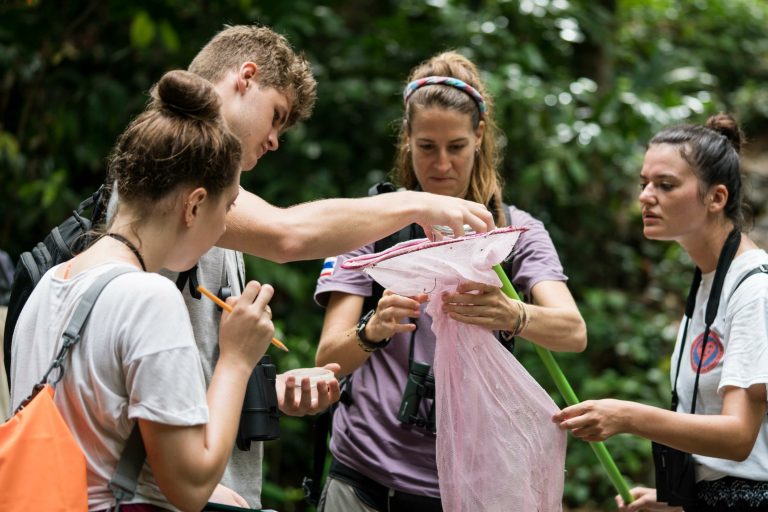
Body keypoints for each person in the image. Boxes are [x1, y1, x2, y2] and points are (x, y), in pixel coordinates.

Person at [102, 26, 498, 509]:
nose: (273, 141)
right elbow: (288, 235)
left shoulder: (216, 203)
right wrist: (418, 203)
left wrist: (273, 389)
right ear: (246, 78)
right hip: (158, 492)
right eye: (276, 117)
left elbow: (194, 360)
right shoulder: (173, 167)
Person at [313, 51, 587, 512]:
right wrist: (372, 329)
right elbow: (327, 359)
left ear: (479, 136)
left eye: (456, 147)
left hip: (467, 485)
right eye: (426, 146)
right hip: (364, 477)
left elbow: (573, 332)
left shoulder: (515, 232)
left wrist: (513, 313)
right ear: (407, 138)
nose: (441, 165)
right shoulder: (367, 223)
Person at [10, 70, 273, 512]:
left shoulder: (48, 286)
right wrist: (236, 358)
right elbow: (188, 486)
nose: (225, 226)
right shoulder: (149, 298)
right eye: (225, 208)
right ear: (193, 205)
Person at [552, 114, 768, 511]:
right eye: (644, 183)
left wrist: (626, 416)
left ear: (716, 198)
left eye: (665, 185)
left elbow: (738, 436)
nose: (646, 196)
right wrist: (678, 502)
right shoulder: (710, 280)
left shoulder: (756, 291)